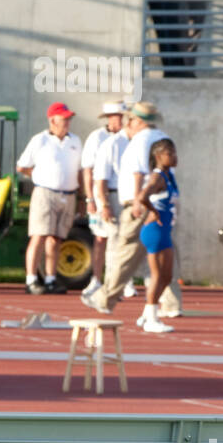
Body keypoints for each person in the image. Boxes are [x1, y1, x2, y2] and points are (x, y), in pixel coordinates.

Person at [82, 101, 182, 317]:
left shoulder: (140, 141)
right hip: (164, 202)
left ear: (137, 121)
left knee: (126, 254)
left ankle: (105, 299)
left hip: (142, 205)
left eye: (131, 119)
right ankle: (171, 303)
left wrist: (138, 202)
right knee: (166, 252)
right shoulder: (163, 138)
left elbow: (138, 174)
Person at [16, 101, 82, 295]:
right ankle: (31, 279)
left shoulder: (75, 141)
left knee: (56, 239)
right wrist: (37, 176)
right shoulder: (40, 140)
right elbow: (22, 166)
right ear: (53, 120)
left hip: (68, 195)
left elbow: (79, 170)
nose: (68, 121)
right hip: (45, 193)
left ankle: (51, 278)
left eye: (69, 118)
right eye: (64, 118)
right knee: (39, 235)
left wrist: (82, 198)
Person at [80, 101, 126, 301]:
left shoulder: (128, 138)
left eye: (122, 115)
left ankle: (121, 282)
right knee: (101, 238)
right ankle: (97, 280)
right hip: (103, 193)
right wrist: (90, 198)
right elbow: (88, 170)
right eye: (117, 115)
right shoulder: (97, 137)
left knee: (123, 239)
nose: (121, 119)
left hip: (124, 194)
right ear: (109, 118)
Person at [136, 139, 180, 334]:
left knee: (167, 276)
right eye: (169, 153)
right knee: (158, 275)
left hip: (163, 231)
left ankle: (147, 313)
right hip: (155, 230)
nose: (174, 156)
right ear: (158, 156)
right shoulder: (157, 178)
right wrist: (152, 211)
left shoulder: (168, 176)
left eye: (174, 152)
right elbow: (142, 197)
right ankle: (152, 318)